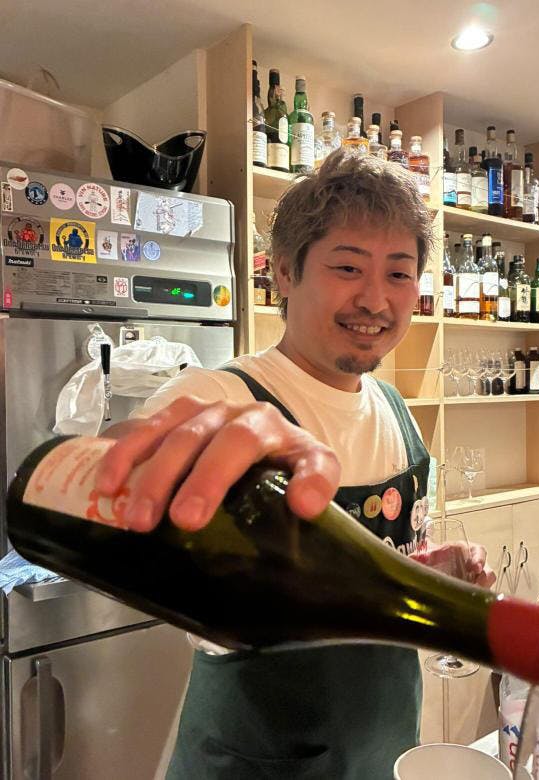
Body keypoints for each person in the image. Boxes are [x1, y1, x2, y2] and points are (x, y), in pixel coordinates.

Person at [96, 150, 495, 778]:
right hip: (253, 760)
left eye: (399, 273)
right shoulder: (222, 398)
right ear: (284, 271)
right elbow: (104, 485)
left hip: (382, 752)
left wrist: (422, 576)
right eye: (347, 267)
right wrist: (121, 473)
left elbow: (376, 579)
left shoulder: (397, 413)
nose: (375, 299)